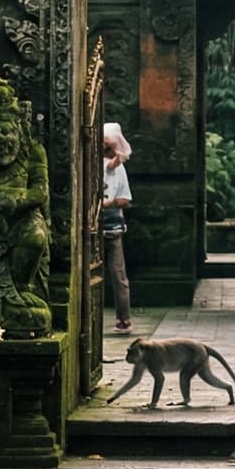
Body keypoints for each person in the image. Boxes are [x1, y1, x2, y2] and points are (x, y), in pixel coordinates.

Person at [101, 123, 133, 332]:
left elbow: (125, 199)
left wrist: (108, 204)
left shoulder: (119, 168)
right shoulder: (92, 163)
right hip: (91, 228)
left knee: (118, 274)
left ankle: (124, 318)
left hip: (112, 227)